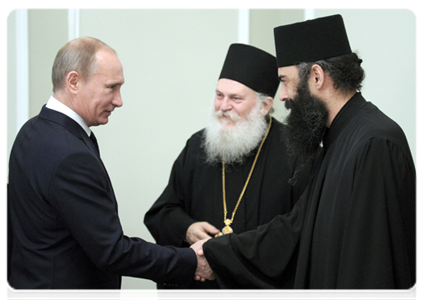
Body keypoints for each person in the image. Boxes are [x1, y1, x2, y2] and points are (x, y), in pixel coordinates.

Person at [198, 14, 420, 300]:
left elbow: (372, 270)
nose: (283, 96)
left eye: (285, 82)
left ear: (316, 76)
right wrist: (217, 253)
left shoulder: (374, 142)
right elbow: (295, 230)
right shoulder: (338, 140)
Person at [7, 37, 211, 300]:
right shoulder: (70, 154)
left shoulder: (32, 130)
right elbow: (112, 251)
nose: (119, 100)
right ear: (74, 82)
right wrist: (191, 260)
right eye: (111, 88)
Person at [144, 43, 310, 300]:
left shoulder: (297, 152)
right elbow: (162, 212)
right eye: (219, 95)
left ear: (264, 106)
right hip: (202, 292)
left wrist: (228, 253)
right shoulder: (198, 146)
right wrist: (187, 229)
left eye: (236, 98)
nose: (223, 106)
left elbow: (300, 230)